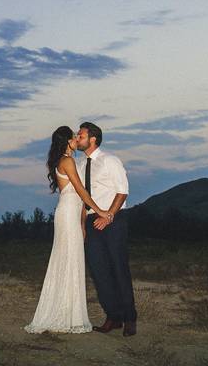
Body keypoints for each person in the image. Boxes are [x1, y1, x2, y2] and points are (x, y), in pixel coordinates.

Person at [25, 126, 110, 334]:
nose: (76, 139)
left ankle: (71, 313)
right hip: (67, 212)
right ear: (66, 141)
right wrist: (100, 211)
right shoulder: (67, 161)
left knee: (72, 259)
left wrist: (82, 224)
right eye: (73, 136)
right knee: (67, 259)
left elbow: (79, 196)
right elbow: (81, 191)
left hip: (71, 213)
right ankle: (65, 314)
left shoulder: (67, 160)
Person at [76, 121, 137, 336]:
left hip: (114, 220)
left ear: (93, 138)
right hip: (92, 223)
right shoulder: (80, 166)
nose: (77, 138)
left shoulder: (110, 160)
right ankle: (113, 317)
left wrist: (109, 216)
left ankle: (130, 318)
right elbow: (82, 200)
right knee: (99, 272)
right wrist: (82, 227)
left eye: (81, 135)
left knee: (119, 269)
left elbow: (122, 191)